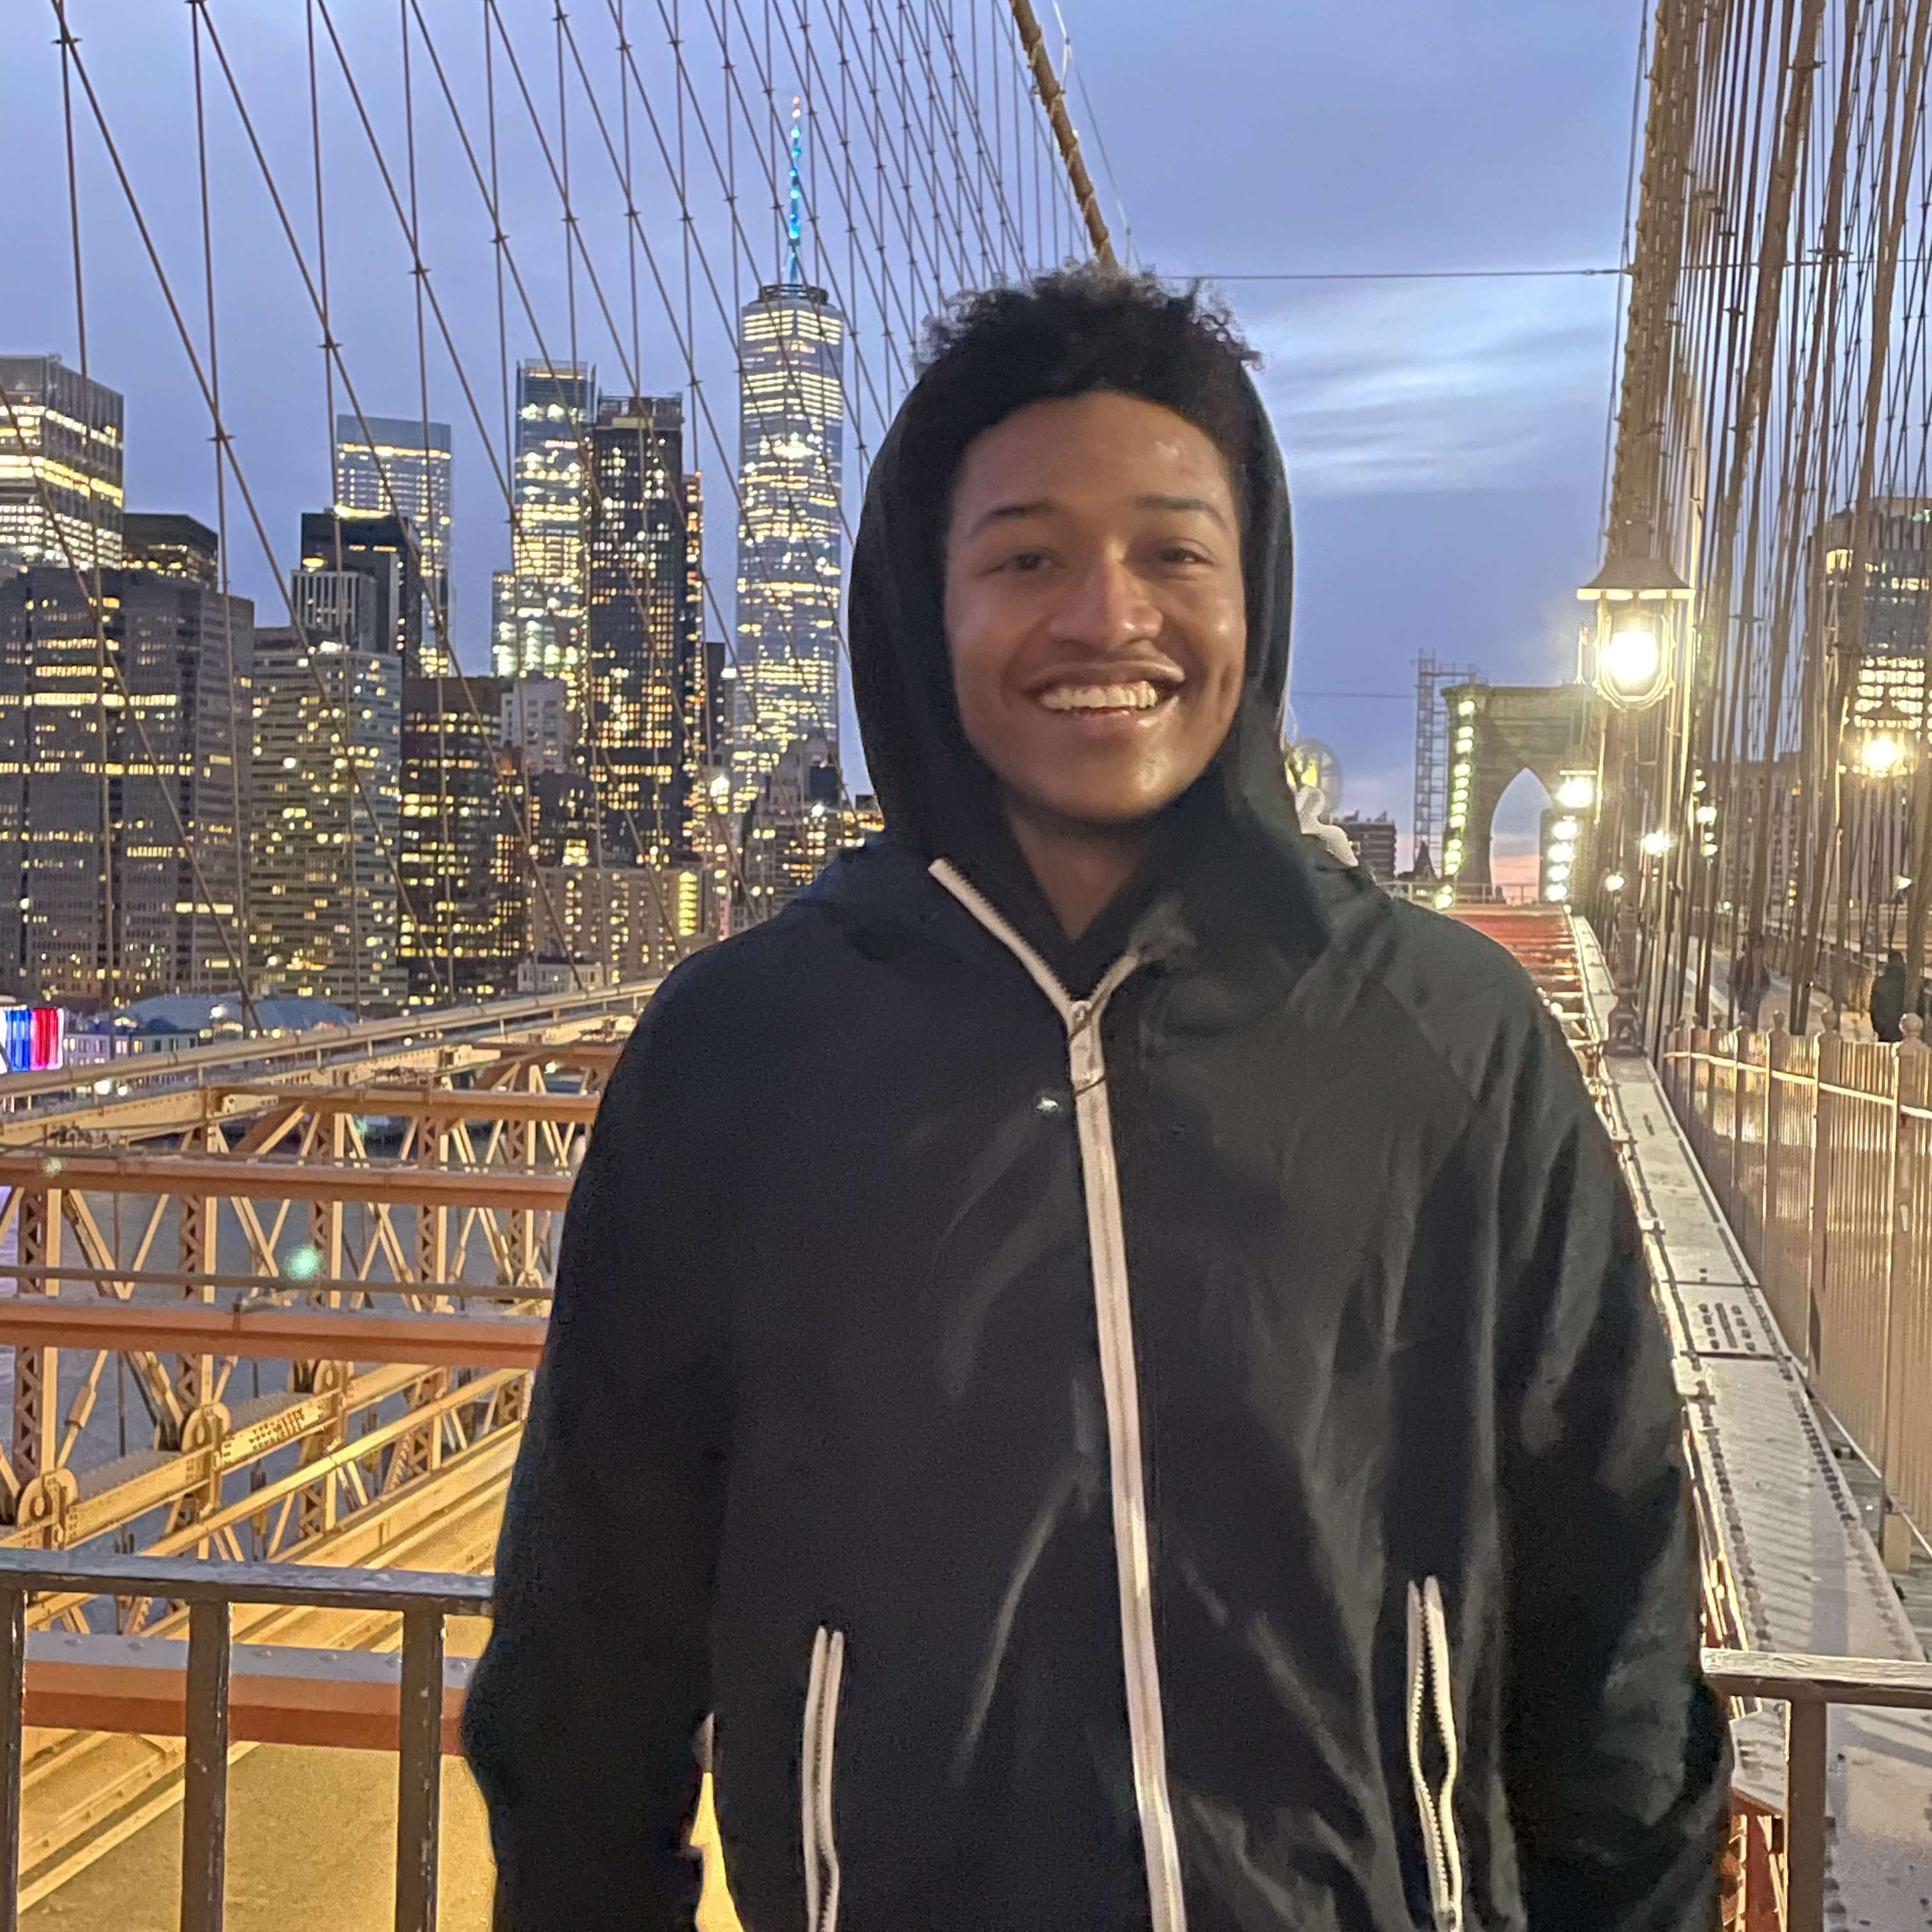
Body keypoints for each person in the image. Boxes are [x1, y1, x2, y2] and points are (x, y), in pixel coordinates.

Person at [463, 268, 1729, 1932]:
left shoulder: (1450, 1039)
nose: (1108, 617)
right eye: (1028, 558)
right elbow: (587, 1660)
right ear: (923, 607)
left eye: (1173, 552)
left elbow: (1614, 1626)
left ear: (1254, 598)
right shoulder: (741, 1057)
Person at [1871, 949, 1908, 1042]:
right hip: (1906, 1029)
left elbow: (1874, 1007)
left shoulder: (1880, 983)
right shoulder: (1908, 984)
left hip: (1884, 1029)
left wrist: (1878, 1028)